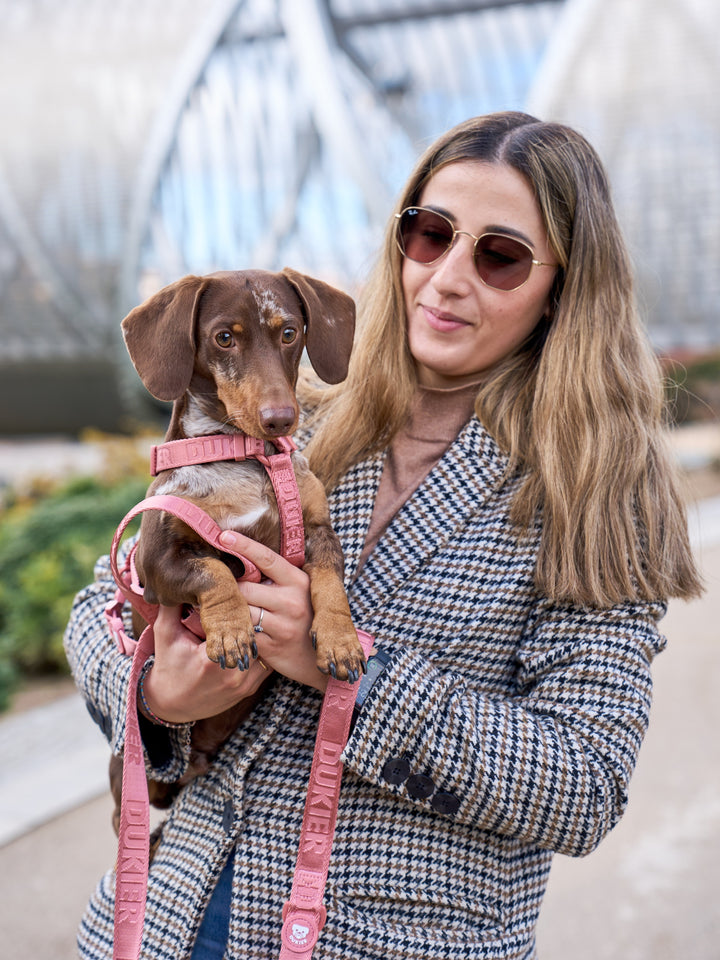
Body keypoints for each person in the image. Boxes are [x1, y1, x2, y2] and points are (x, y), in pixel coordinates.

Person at [64, 111, 701, 960]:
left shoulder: (601, 490)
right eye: (430, 234)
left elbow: (583, 787)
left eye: (500, 255)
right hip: (167, 920)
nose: (445, 277)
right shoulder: (293, 425)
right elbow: (100, 609)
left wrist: (347, 674)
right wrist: (155, 696)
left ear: (565, 284)